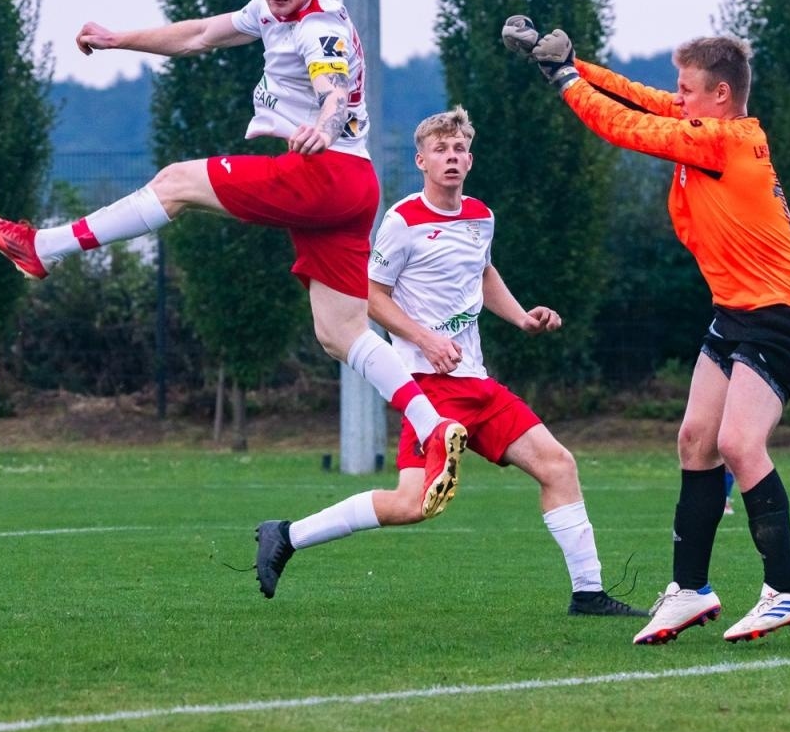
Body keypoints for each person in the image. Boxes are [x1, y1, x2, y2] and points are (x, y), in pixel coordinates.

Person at [0, 0, 468, 518]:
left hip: (326, 172)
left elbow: (332, 88)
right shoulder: (270, 10)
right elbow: (200, 35)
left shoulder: (320, 26)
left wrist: (327, 121)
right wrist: (119, 37)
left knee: (177, 183)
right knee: (341, 333)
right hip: (350, 187)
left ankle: (42, 246)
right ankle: (434, 424)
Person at [502, 17, 790, 645]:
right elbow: (645, 100)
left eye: (687, 90)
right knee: (695, 440)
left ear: (722, 96)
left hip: (783, 312)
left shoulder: (722, 141)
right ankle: (689, 590)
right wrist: (571, 65)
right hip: (738, 310)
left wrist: (569, 81)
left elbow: (627, 124)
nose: (675, 98)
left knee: (737, 444)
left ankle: (786, 591)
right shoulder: (706, 123)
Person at [253, 109, 647, 617]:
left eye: (459, 149)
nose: (452, 158)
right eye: (441, 150)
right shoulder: (402, 220)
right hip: (427, 388)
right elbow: (369, 295)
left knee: (558, 465)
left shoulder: (481, 216)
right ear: (422, 160)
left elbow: (483, 273)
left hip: (477, 384)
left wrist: (523, 318)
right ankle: (287, 535)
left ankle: (589, 594)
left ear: (470, 159)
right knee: (412, 504)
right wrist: (424, 339)